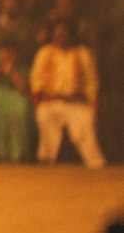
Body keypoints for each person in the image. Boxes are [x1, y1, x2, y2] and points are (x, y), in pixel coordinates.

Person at [31, 21, 107, 167]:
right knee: (44, 116)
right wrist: (43, 94)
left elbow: (92, 82)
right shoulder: (45, 52)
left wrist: (90, 100)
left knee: (84, 125)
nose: (59, 37)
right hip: (52, 101)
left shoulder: (83, 54)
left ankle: (94, 162)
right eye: (57, 34)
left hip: (76, 102)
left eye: (63, 34)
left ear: (72, 35)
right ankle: (46, 159)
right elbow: (36, 79)